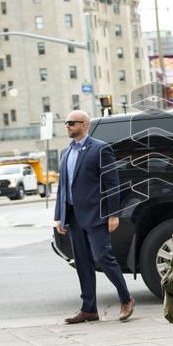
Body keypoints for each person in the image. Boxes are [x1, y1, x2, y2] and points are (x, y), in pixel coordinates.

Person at [54, 110, 133, 324]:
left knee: (102, 257)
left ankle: (126, 299)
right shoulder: (65, 152)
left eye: (72, 123)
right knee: (82, 262)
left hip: (97, 215)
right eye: (66, 122)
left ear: (85, 125)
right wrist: (58, 216)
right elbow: (63, 187)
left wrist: (113, 214)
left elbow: (112, 184)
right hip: (73, 216)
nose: (68, 126)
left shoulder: (100, 148)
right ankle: (89, 308)